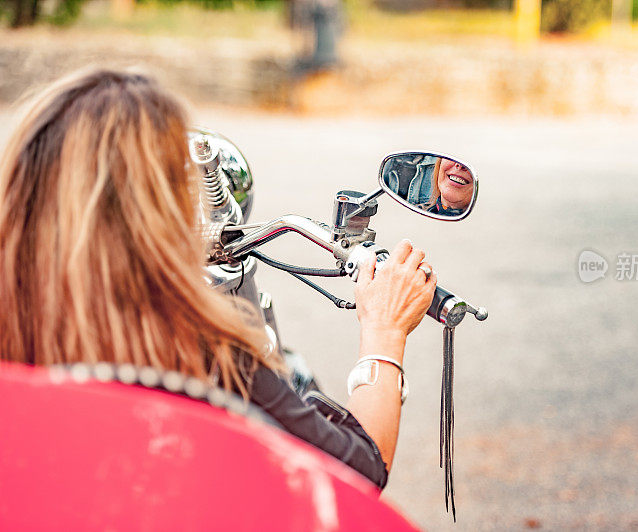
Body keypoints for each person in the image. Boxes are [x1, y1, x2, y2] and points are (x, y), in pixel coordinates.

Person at [0, 68, 436, 489]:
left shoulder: (16, 331)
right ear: (155, 210)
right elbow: (356, 473)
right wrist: (384, 331)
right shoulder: (202, 350)